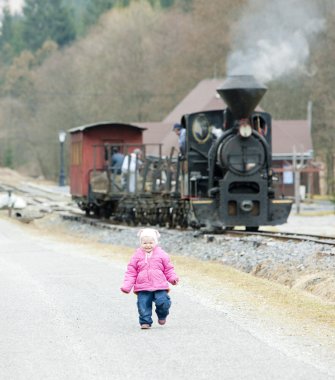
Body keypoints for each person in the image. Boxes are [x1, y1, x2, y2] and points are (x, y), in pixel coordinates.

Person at [120, 228, 179, 329]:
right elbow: (131, 272)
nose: (148, 245)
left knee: (163, 302)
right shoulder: (136, 256)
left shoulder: (162, 255)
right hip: (143, 286)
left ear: (155, 242)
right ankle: (145, 321)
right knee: (143, 305)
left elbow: (168, 269)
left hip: (160, 285)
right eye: (144, 243)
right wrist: (127, 286)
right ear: (141, 243)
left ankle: (162, 314)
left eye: (151, 243)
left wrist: (172, 278)